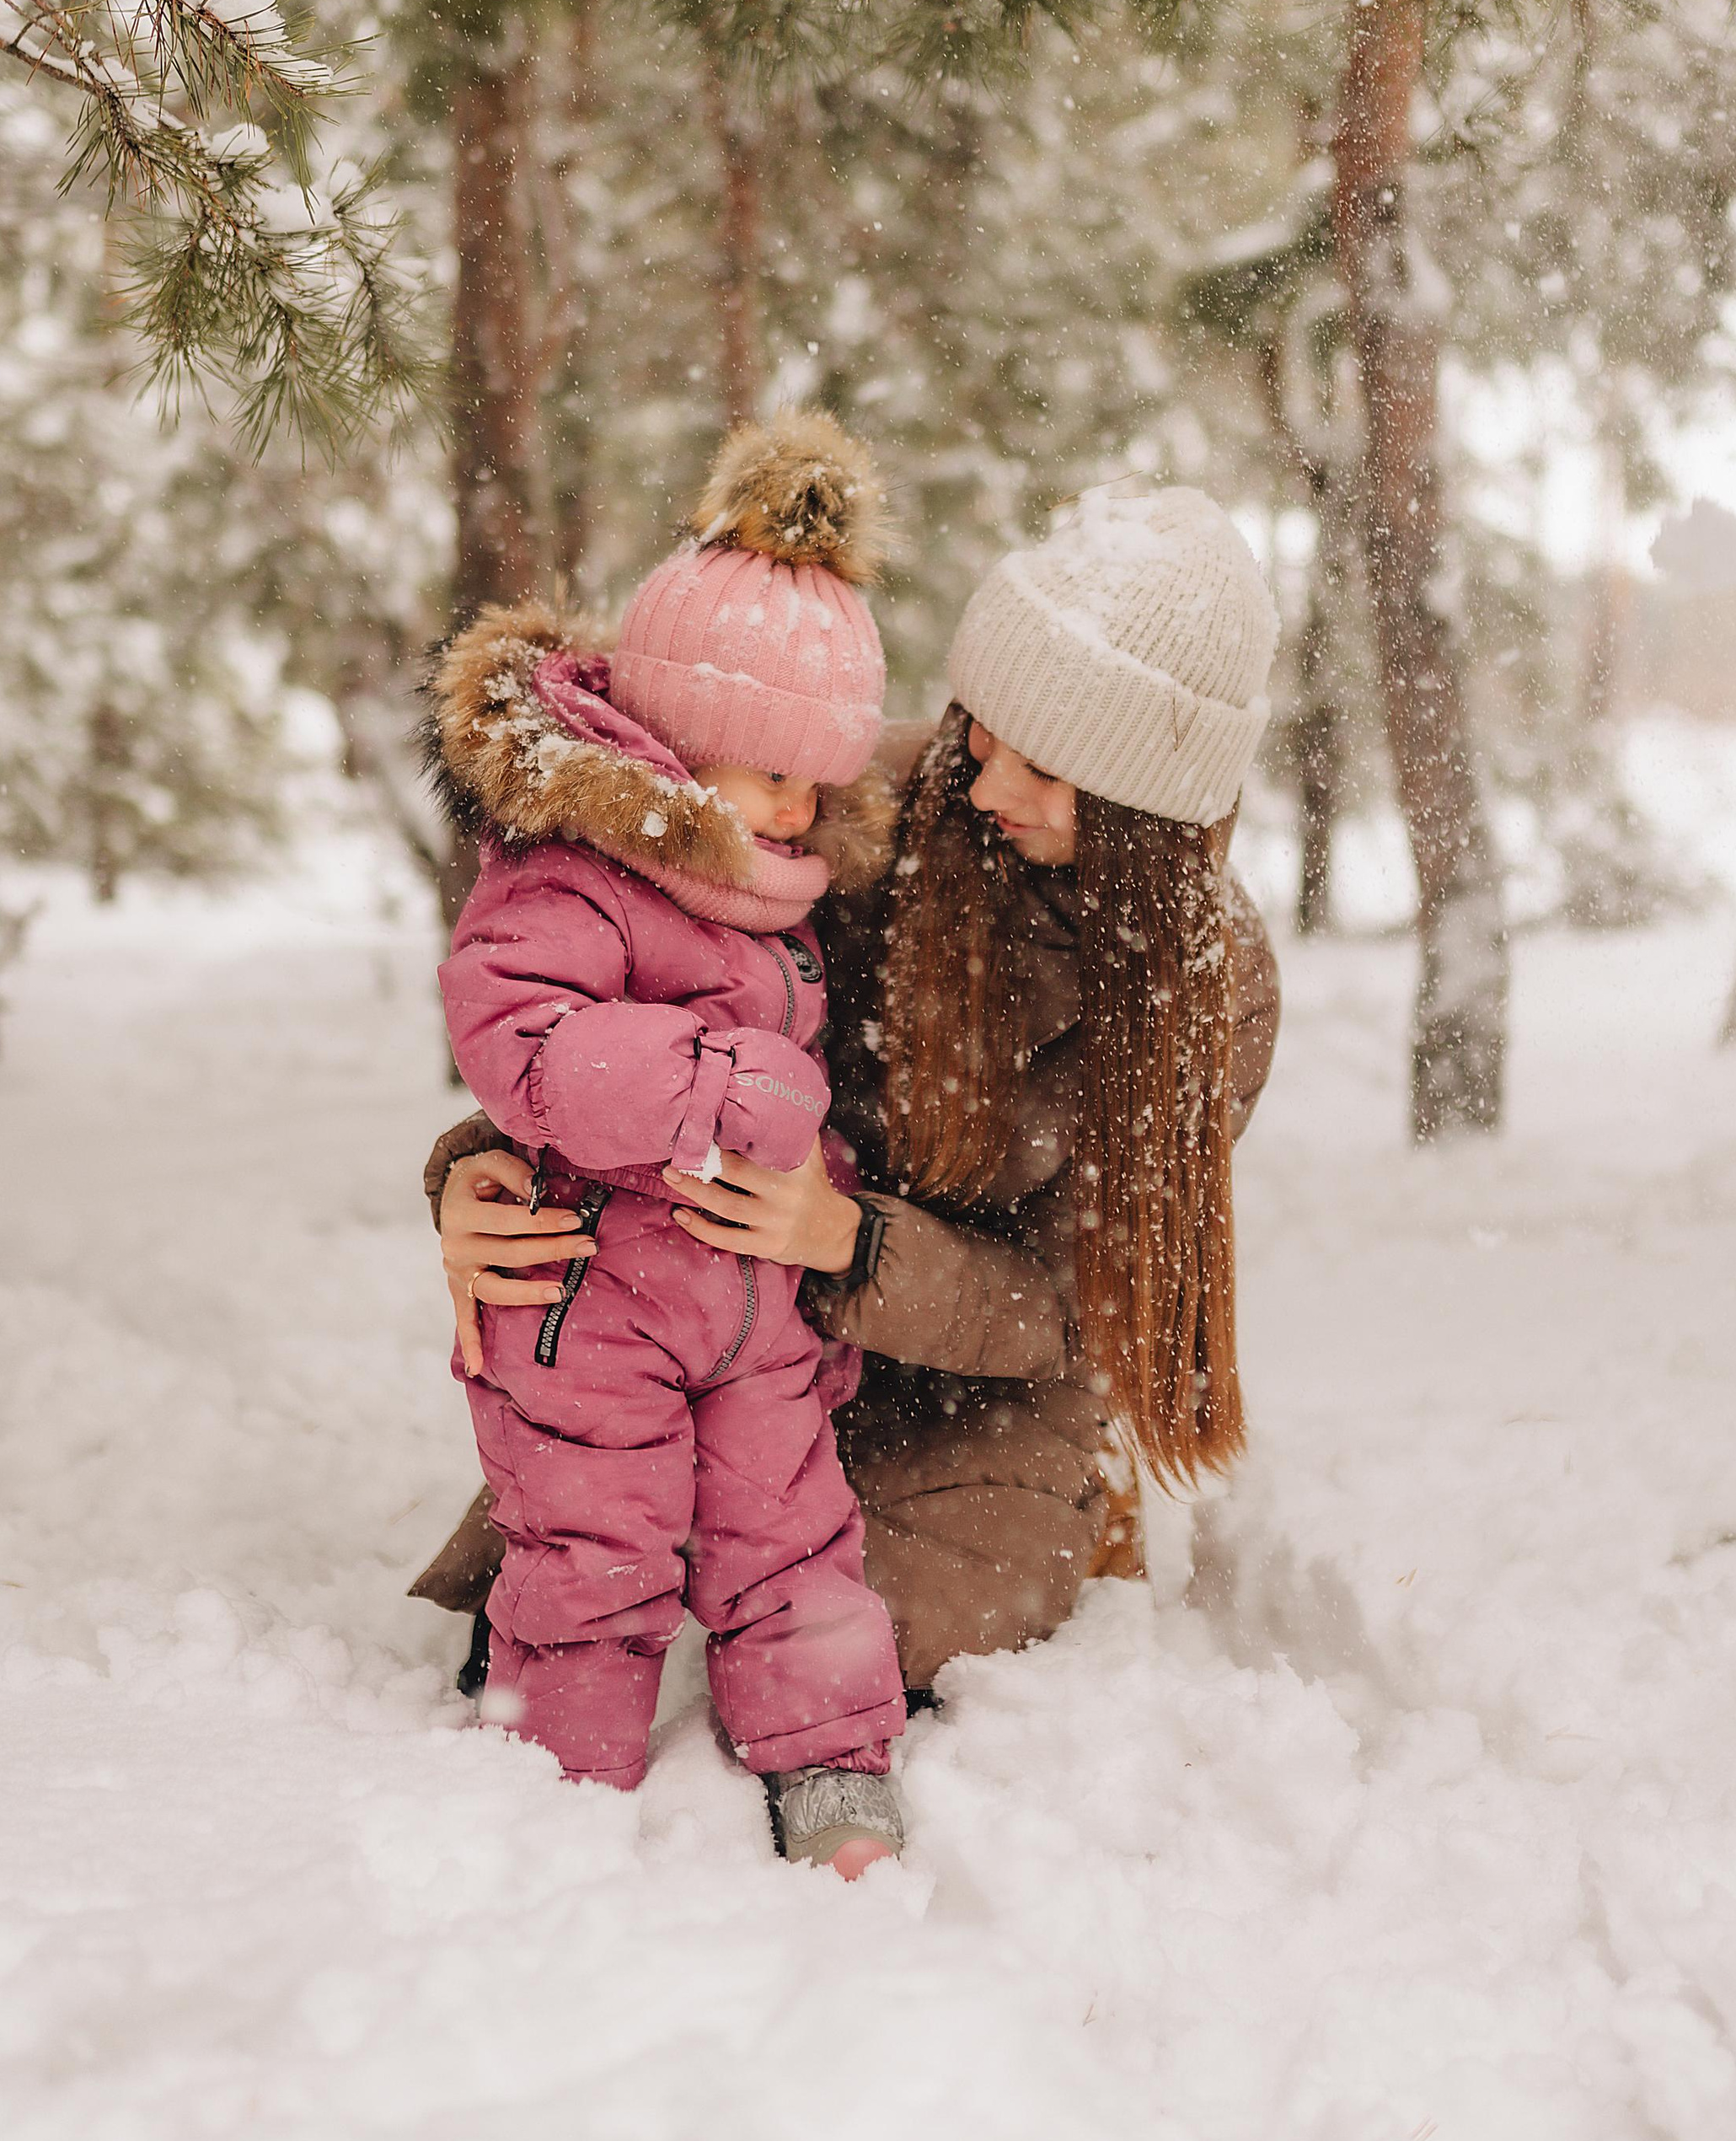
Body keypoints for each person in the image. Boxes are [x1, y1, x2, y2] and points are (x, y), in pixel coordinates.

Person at [417, 479, 1283, 1710]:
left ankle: (1049, 1511)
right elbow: (610, 992)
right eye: (984, 728)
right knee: (591, 1562)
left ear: (1151, 810)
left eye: (1050, 768)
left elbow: (1071, 1308)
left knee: (845, 1639)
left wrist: (851, 1244)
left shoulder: (1211, 991)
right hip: (730, 1325)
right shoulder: (835, 804)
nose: (987, 787)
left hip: (978, 1391)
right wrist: (471, 1169)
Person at [429, 413, 908, 1874]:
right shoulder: (576, 874)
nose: (803, 806)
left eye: (819, 779)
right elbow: (519, 1035)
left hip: (751, 1307)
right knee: (594, 1542)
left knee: (796, 1536)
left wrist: (813, 1224)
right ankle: (561, 1781)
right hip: (592, 1302)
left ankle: (832, 1770)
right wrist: (719, 1083)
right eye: (775, 773)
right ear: (689, 752)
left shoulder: (779, 888)